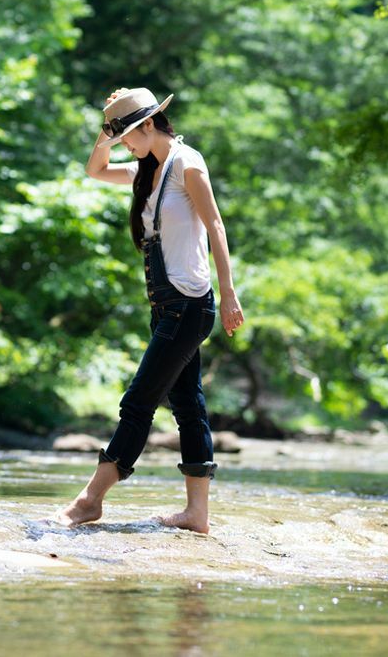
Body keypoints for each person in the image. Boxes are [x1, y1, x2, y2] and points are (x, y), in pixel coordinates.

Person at [56, 87, 244, 534]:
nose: (124, 146)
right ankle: (197, 514)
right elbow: (95, 169)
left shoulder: (187, 164)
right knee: (187, 404)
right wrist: (107, 130)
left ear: (147, 125)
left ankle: (89, 501)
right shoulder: (148, 170)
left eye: (127, 136)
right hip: (166, 307)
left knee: (138, 401)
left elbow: (215, 225)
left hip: (189, 303)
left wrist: (230, 293)